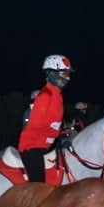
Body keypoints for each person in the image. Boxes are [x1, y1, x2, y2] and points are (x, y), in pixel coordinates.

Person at [18, 55, 74, 183]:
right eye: (65, 74)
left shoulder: (58, 97)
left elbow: (53, 124)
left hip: (46, 145)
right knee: (39, 186)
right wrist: (57, 134)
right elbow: (35, 125)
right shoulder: (45, 96)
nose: (68, 78)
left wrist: (61, 134)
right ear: (53, 74)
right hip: (32, 146)